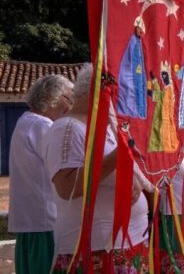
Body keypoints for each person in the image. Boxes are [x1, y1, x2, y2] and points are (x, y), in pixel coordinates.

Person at [42, 64, 149, 272]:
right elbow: (67, 186)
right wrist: (120, 155)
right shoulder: (67, 128)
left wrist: (131, 178)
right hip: (97, 251)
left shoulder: (104, 127)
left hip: (123, 244)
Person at [9, 75, 73, 273]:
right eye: (69, 97)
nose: (71, 103)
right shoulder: (42, 126)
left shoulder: (25, 122)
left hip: (32, 219)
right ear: (56, 97)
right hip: (45, 220)